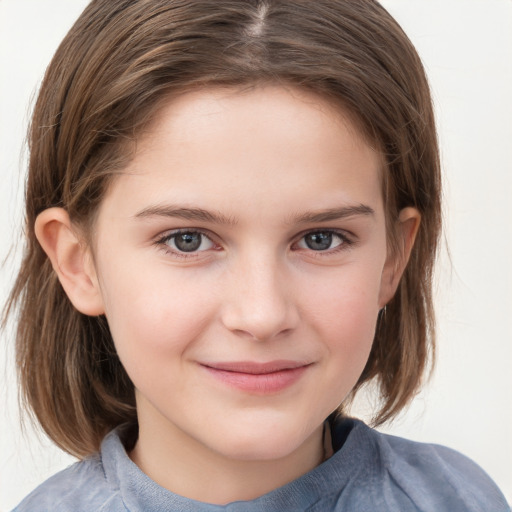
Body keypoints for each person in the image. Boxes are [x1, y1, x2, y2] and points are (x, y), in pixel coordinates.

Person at [4, 0, 509, 510]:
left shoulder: (459, 500)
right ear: (78, 262)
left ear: (393, 257)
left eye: (321, 238)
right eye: (188, 240)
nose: (262, 315)